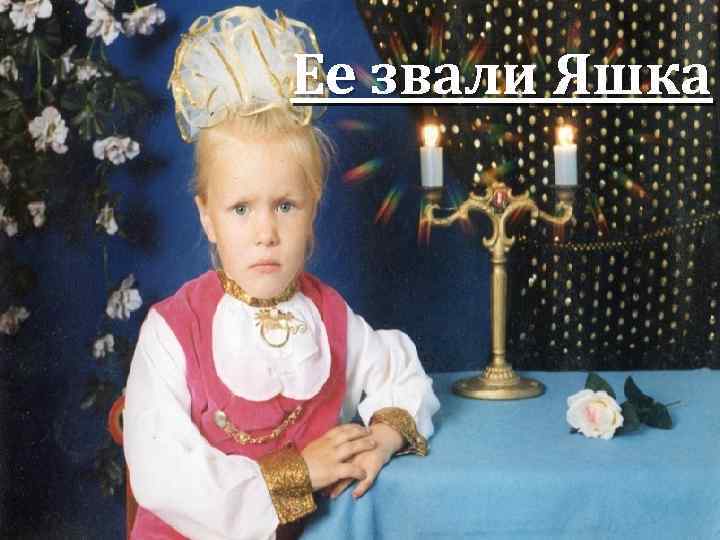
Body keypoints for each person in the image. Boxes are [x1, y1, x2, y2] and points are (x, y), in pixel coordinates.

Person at [123, 6, 440, 540]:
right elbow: (164, 476)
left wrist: (382, 439)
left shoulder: (330, 317)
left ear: (313, 208)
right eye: (241, 208)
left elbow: (399, 376)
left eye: (286, 206)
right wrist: (301, 472)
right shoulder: (173, 331)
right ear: (207, 217)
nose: (265, 232)